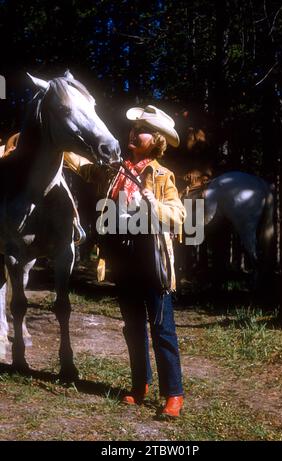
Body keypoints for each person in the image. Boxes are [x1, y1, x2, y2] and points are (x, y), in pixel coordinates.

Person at [60, 105, 186, 417]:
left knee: (162, 328)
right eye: (133, 127)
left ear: (155, 140)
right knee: (132, 327)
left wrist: (152, 204)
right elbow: (84, 167)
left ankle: (173, 394)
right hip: (123, 260)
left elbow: (179, 216)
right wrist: (59, 144)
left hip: (153, 261)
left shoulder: (162, 176)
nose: (133, 132)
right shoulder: (114, 170)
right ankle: (140, 385)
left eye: (141, 129)